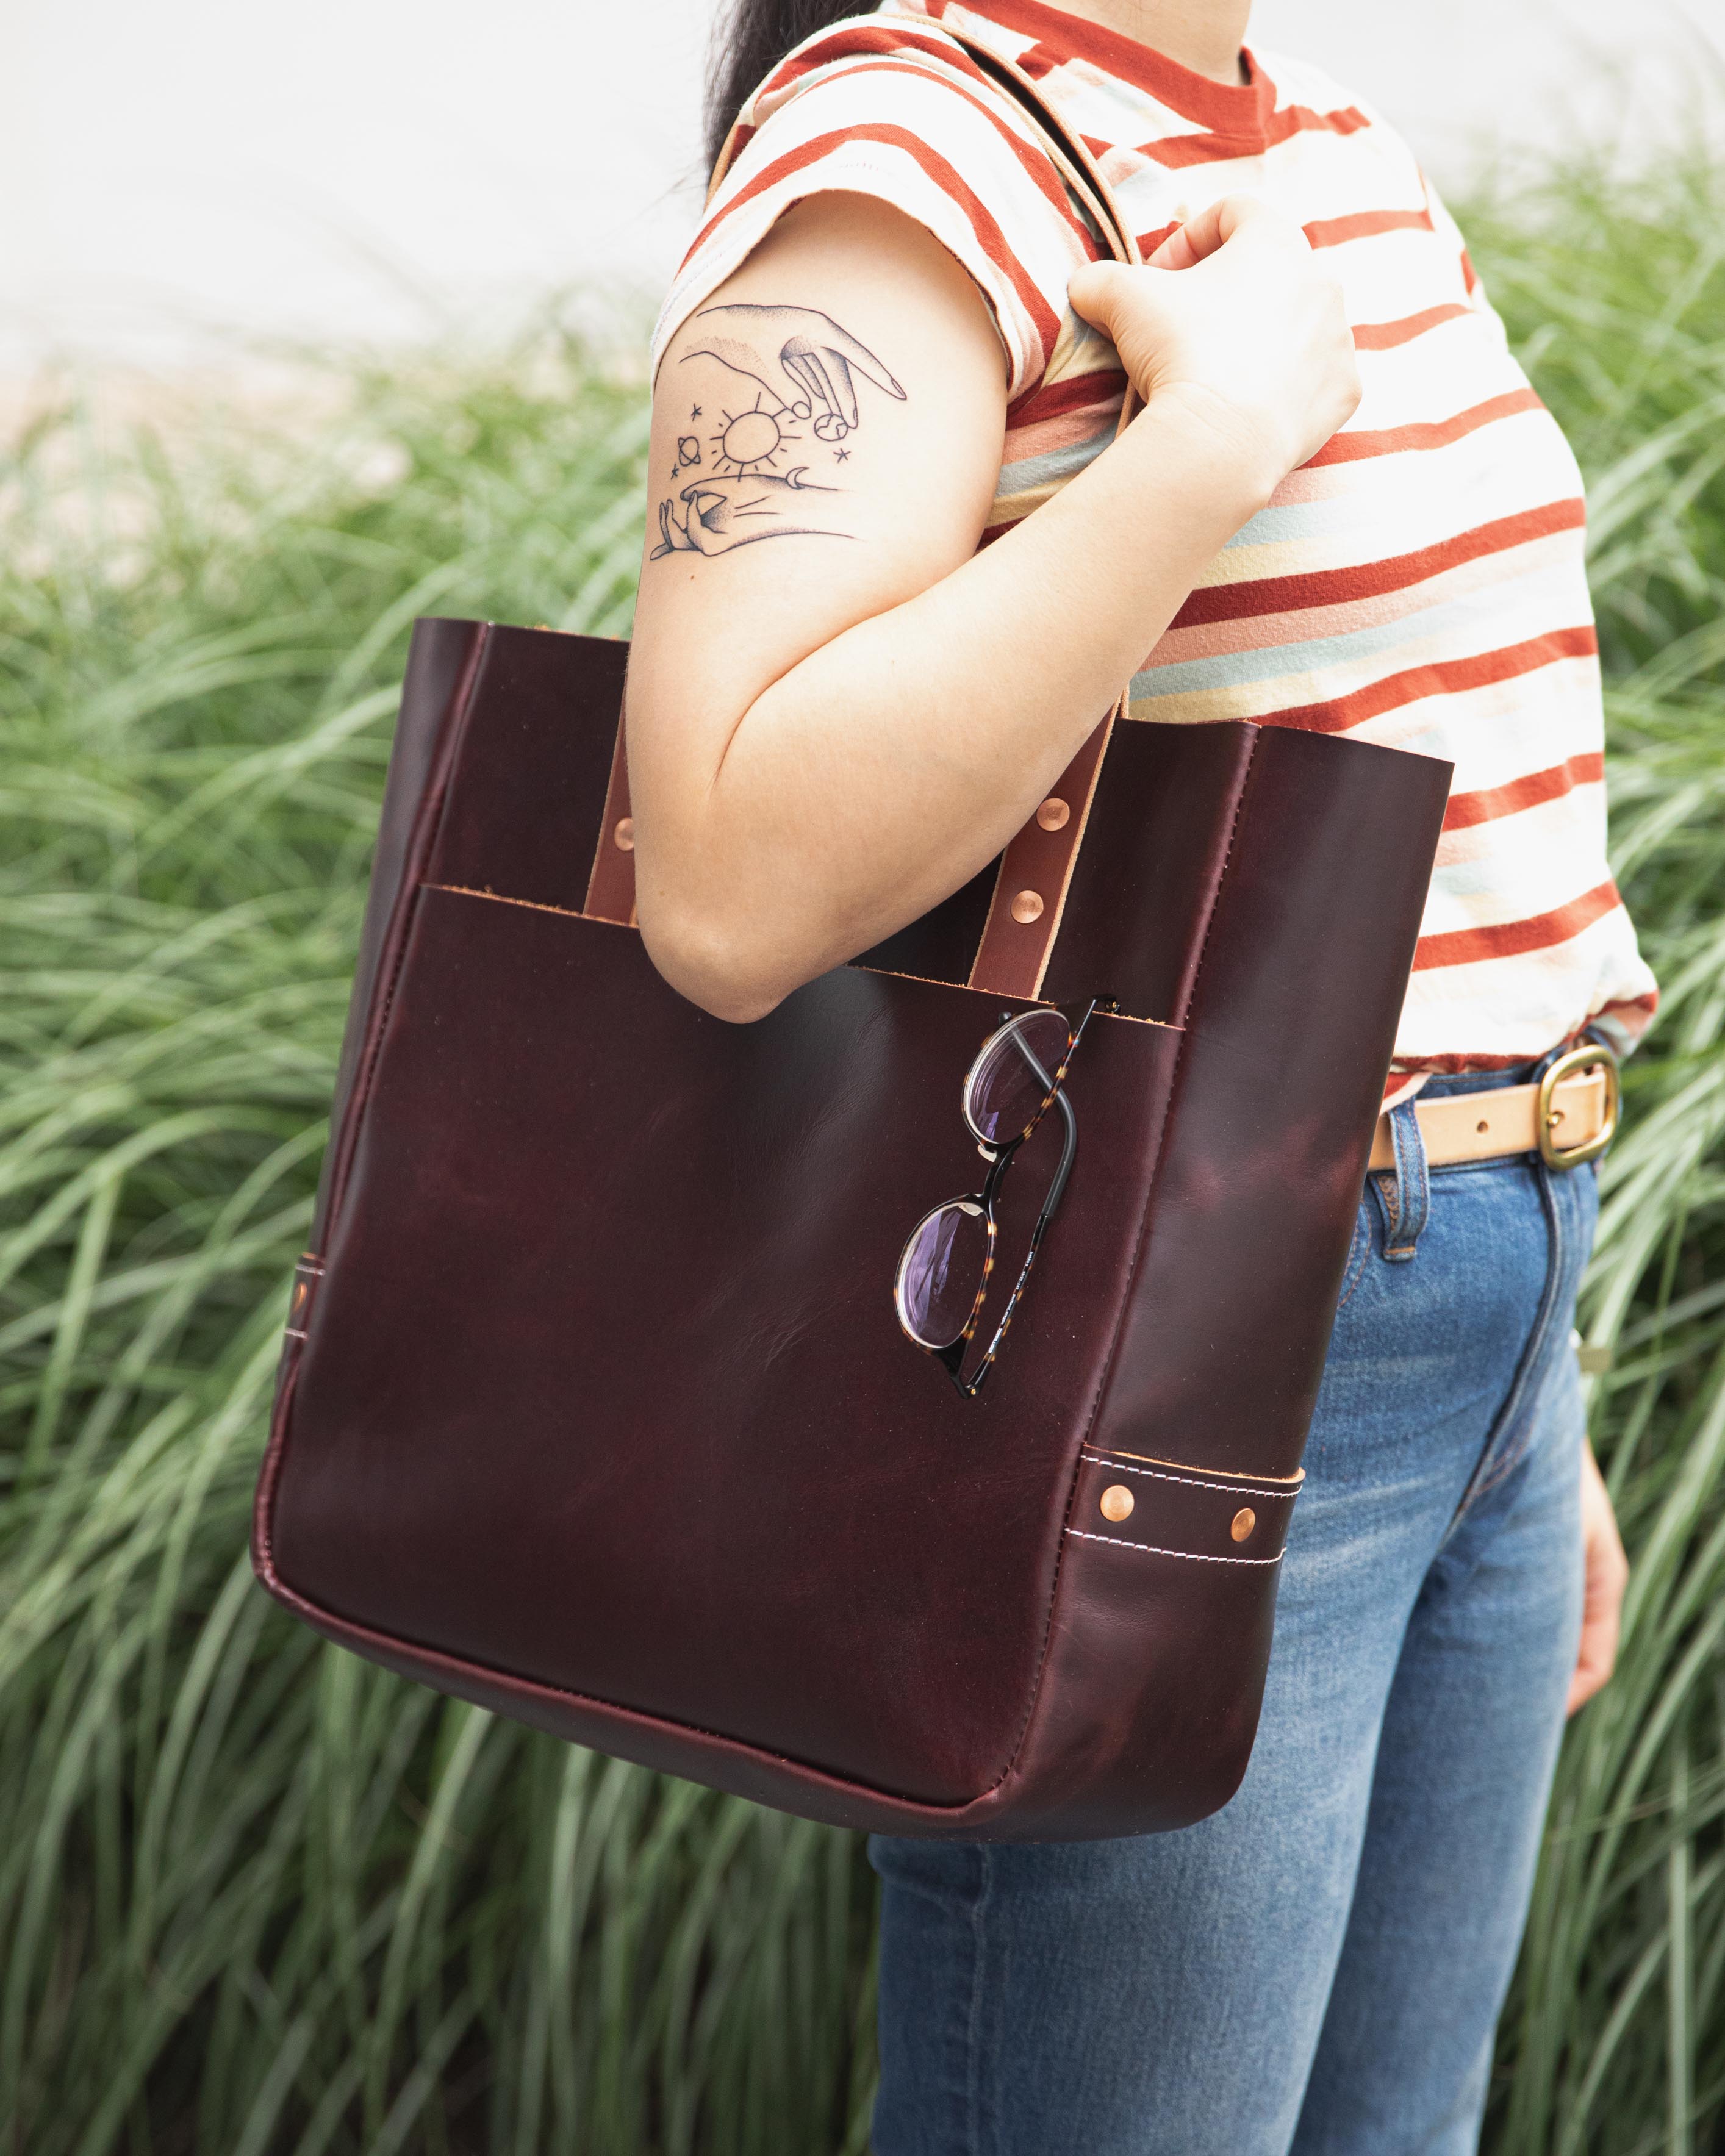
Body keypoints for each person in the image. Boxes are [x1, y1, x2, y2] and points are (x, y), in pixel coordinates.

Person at [625, 1, 1654, 2147]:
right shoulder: (911, 146)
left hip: (1469, 1282)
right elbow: (725, 876)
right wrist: (1202, 449)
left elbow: (1443, 781)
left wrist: (1518, 1405)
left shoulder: (1325, 139)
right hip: (1194, 1327)